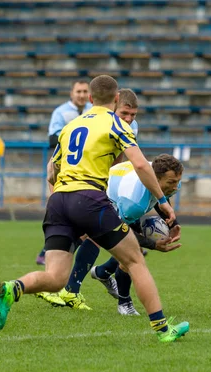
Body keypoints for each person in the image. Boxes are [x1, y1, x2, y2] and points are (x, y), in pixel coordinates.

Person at [0, 75, 189, 342]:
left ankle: (13, 287)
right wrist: (163, 202)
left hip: (59, 201)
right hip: (89, 198)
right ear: (116, 99)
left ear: (91, 99)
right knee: (134, 260)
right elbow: (142, 165)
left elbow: (52, 171)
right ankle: (164, 331)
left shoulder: (70, 125)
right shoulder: (116, 124)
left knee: (55, 277)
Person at [38, 154, 183, 315]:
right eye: (171, 183)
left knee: (116, 247)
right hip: (106, 192)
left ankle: (95, 277)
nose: (176, 187)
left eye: (177, 181)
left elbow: (160, 197)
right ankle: (121, 301)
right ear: (155, 179)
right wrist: (153, 244)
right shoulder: (134, 203)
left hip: (121, 183)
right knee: (117, 245)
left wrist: (172, 222)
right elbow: (122, 231)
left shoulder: (170, 179)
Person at [36, 88, 140, 266]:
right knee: (94, 235)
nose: (128, 119)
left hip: (91, 187)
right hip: (82, 188)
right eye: (124, 113)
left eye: (132, 115)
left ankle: (65, 272)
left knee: (95, 234)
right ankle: (69, 276)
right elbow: (52, 168)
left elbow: (118, 161)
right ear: (113, 106)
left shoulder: (125, 125)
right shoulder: (94, 122)